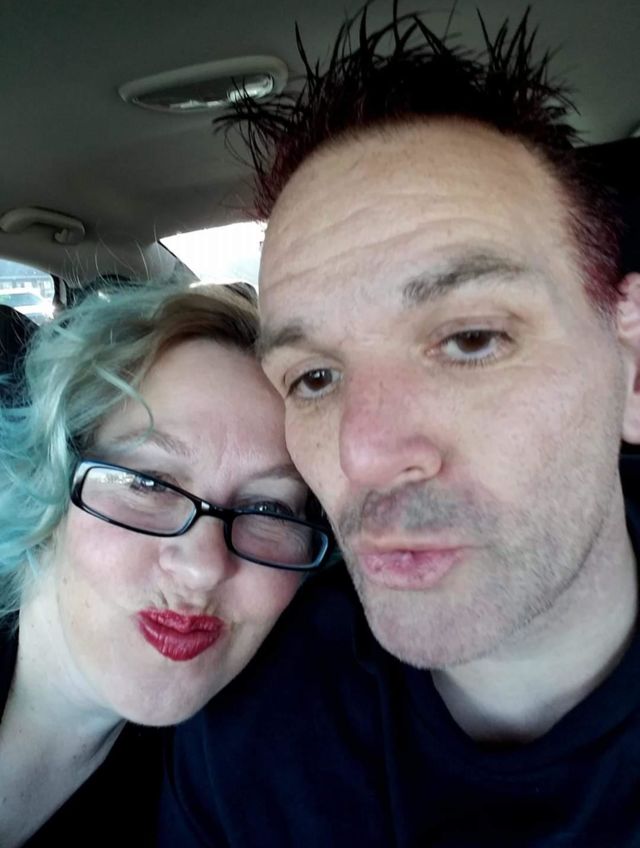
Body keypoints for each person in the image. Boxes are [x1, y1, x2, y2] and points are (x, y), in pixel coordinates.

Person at [159, 6, 640, 847]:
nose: (363, 454)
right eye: (314, 379)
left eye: (472, 339)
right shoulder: (248, 733)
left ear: (632, 363)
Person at [0, 281, 331, 847]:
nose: (204, 568)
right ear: (51, 473)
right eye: (149, 484)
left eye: (268, 510)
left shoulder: (220, 797)